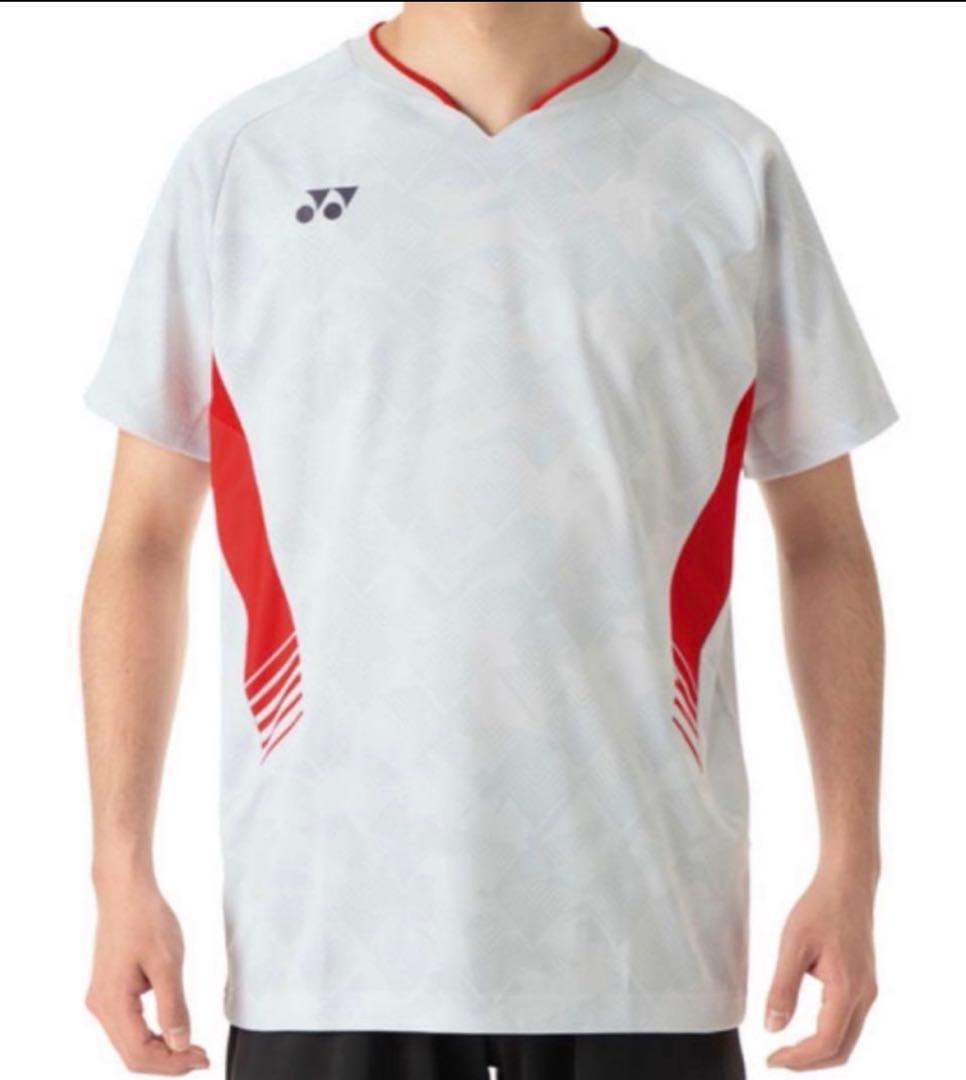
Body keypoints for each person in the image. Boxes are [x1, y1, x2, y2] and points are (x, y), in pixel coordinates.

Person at [80, 3, 897, 1078]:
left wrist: (850, 865)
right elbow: (143, 540)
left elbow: (823, 541)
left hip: (642, 937)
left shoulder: (723, 163)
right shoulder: (247, 158)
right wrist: (120, 871)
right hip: (328, 935)